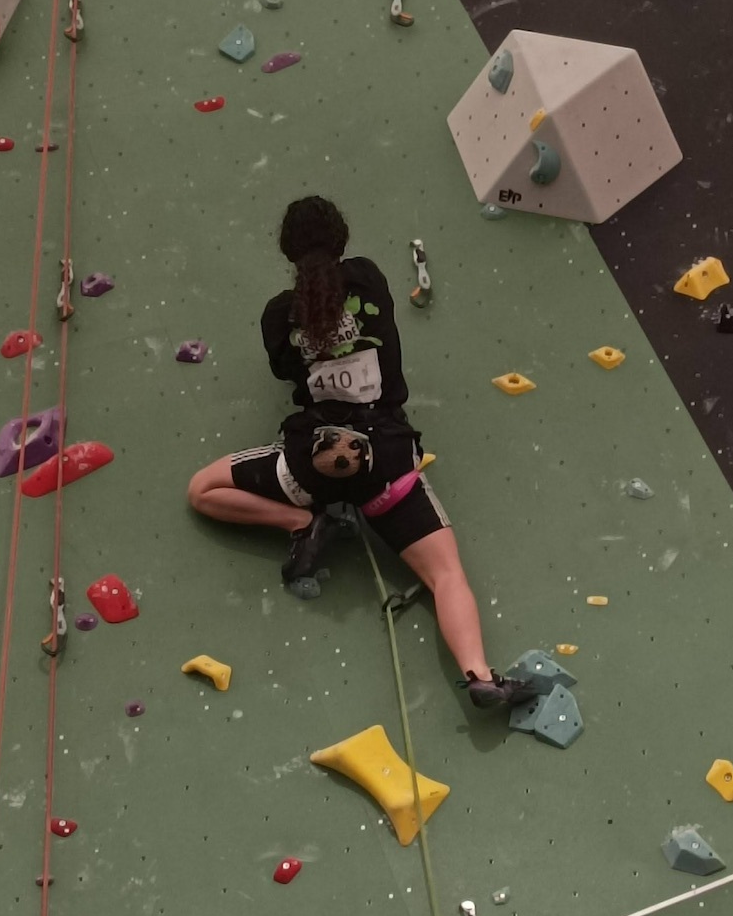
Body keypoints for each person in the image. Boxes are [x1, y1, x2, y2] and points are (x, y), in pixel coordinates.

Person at [187, 196, 523, 708]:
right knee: (446, 575)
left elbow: (284, 370)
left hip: (311, 466)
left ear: (288, 252)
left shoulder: (279, 314)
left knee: (202, 490)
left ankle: (301, 523)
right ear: (341, 240)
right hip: (385, 467)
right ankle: (479, 676)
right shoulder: (368, 278)